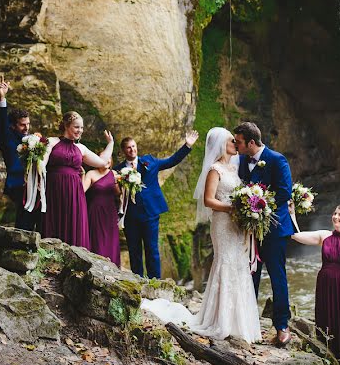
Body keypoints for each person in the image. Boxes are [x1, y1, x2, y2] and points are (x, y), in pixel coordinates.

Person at [139, 128, 261, 343]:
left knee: (239, 265)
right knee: (224, 263)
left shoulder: (233, 167)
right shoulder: (215, 170)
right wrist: (232, 208)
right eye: (231, 141)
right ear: (222, 145)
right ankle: (219, 320)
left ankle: (239, 322)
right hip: (223, 224)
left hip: (236, 225)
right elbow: (208, 200)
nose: (235, 143)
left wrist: (245, 209)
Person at [233, 121, 294, 346]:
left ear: (251, 142)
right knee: (250, 274)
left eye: (238, 141)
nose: (235, 144)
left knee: (277, 276)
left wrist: (258, 210)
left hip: (274, 228)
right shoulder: (239, 160)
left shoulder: (277, 159)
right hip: (246, 230)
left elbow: (284, 192)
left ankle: (282, 326)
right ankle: (249, 323)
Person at [114, 131, 198, 278]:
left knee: (152, 249)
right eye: (128, 147)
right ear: (123, 151)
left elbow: (171, 161)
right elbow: (114, 192)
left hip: (150, 213)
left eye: (133, 146)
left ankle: (155, 282)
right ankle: (137, 281)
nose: (132, 149)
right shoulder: (118, 170)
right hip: (130, 217)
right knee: (134, 251)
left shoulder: (149, 161)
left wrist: (187, 145)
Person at [289, 204, 340, 362]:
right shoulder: (324, 235)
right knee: (326, 316)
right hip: (326, 284)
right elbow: (296, 235)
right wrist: (292, 215)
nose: (336, 217)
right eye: (335, 213)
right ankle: (327, 354)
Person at [41, 112, 113, 249]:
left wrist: (111, 144)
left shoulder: (81, 148)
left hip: (74, 192)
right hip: (54, 189)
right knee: (54, 221)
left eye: (82, 128)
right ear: (67, 126)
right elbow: (42, 164)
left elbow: (103, 162)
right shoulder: (51, 141)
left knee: (74, 223)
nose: (80, 130)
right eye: (76, 127)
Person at [0, 77, 37, 231]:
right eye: (22, 124)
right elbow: (2, 122)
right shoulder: (7, 137)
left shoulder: (32, 139)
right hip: (18, 184)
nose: (26, 127)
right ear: (13, 126)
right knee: (23, 221)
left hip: (34, 184)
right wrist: (2, 98)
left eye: (28, 124)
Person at [84, 161, 121, 265]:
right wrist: (81, 175)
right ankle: (97, 266)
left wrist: (119, 183)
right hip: (95, 211)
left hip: (110, 212)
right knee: (98, 239)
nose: (107, 161)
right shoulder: (91, 173)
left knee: (111, 240)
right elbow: (82, 190)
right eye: (104, 158)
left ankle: (113, 267)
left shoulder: (113, 173)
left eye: (109, 158)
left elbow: (117, 192)